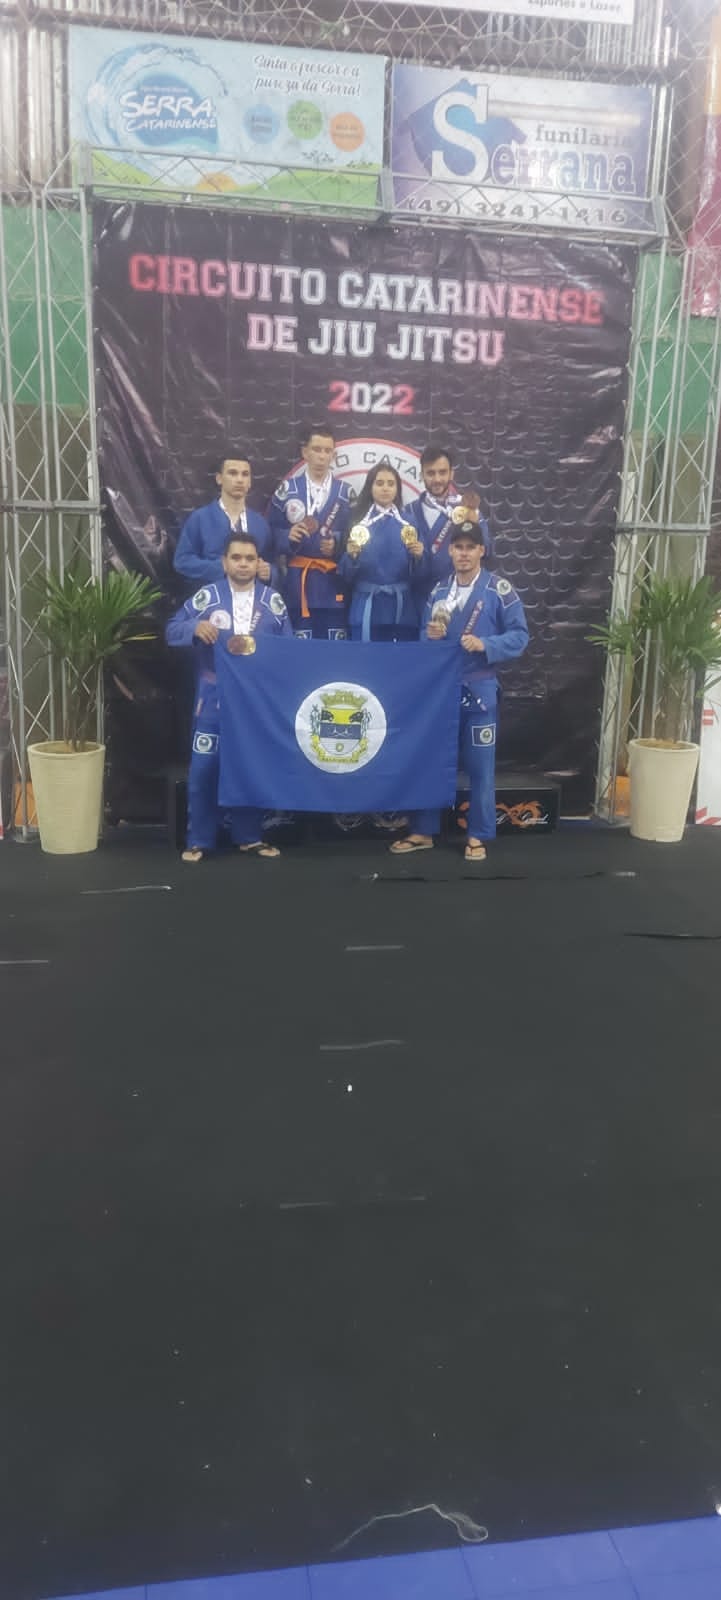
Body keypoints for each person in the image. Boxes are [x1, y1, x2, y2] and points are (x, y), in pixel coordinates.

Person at [390, 522, 528, 863]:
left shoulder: (498, 590)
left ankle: (478, 834)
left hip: (479, 689)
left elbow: (520, 636)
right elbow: (424, 640)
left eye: (471, 547)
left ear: (482, 550)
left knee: (480, 767)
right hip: (442, 691)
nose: (464, 553)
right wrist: (430, 637)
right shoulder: (439, 592)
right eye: (459, 547)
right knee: (431, 761)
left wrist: (486, 644)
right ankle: (423, 830)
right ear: (450, 551)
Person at [166, 534, 292, 862]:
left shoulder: (273, 601)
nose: (243, 564)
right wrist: (194, 628)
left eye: (250, 558)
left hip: (256, 699)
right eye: (236, 558)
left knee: (251, 766)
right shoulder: (207, 598)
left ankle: (249, 837)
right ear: (224, 563)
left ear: (259, 562)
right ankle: (198, 839)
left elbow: (289, 648)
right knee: (204, 768)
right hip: (214, 695)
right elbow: (171, 629)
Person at [269, 425, 355, 638]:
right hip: (298, 584)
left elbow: (357, 536)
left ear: (333, 455)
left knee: (334, 647)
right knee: (301, 646)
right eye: (316, 449)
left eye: (327, 451)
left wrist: (337, 543)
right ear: (305, 452)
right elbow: (270, 533)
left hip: (333, 583)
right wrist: (286, 537)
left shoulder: (346, 492)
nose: (322, 456)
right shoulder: (287, 490)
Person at [336, 462, 424, 642]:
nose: (385, 488)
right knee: (365, 659)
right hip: (366, 606)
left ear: (397, 489)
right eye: (380, 483)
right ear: (370, 487)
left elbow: (421, 574)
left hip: (401, 609)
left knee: (399, 658)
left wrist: (419, 557)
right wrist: (351, 557)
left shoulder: (409, 523)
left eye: (391, 484)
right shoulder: (357, 522)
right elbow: (344, 574)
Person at [174, 450, 273, 588]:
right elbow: (182, 561)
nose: (239, 480)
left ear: (250, 482)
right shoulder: (200, 519)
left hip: (251, 597)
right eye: (233, 473)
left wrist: (268, 572)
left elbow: (272, 561)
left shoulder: (260, 524)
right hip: (212, 596)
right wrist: (221, 567)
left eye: (245, 474)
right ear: (219, 478)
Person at [405, 443, 490, 600]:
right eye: (431, 473)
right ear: (422, 475)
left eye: (442, 472)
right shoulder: (408, 512)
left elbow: (487, 551)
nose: (437, 479)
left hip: (458, 596)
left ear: (452, 474)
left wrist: (475, 526)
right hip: (418, 599)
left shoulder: (467, 509)